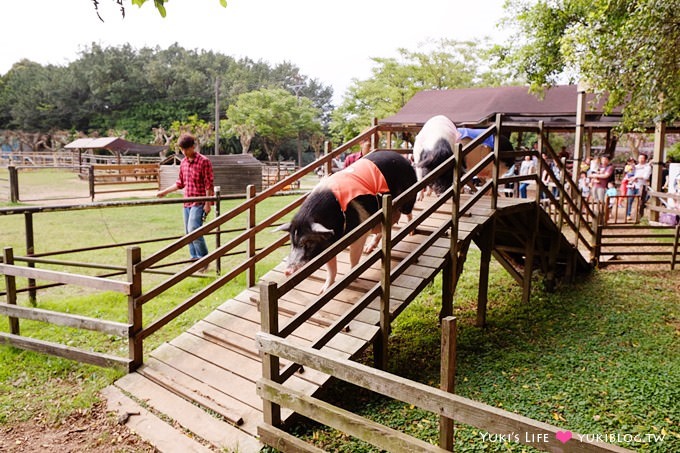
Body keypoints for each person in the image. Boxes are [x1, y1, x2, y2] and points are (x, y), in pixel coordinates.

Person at [157, 133, 214, 262]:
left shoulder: (204, 162)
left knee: (194, 229)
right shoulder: (183, 163)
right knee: (188, 233)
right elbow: (180, 183)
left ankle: (204, 259)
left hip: (199, 201)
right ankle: (194, 258)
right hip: (187, 201)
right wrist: (165, 192)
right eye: (182, 149)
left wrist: (207, 203)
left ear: (192, 147)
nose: (184, 152)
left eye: (186, 149)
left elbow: (208, 184)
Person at [626, 153, 652, 219]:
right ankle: (628, 214)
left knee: (641, 201)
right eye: (640, 158)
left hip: (641, 187)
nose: (641, 160)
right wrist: (631, 178)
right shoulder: (635, 167)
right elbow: (628, 175)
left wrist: (637, 177)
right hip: (632, 185)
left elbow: (646, 177)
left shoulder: (647, 167)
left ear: (645, 159)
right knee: (629, 200)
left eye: (642, 158)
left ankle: (638, 215)